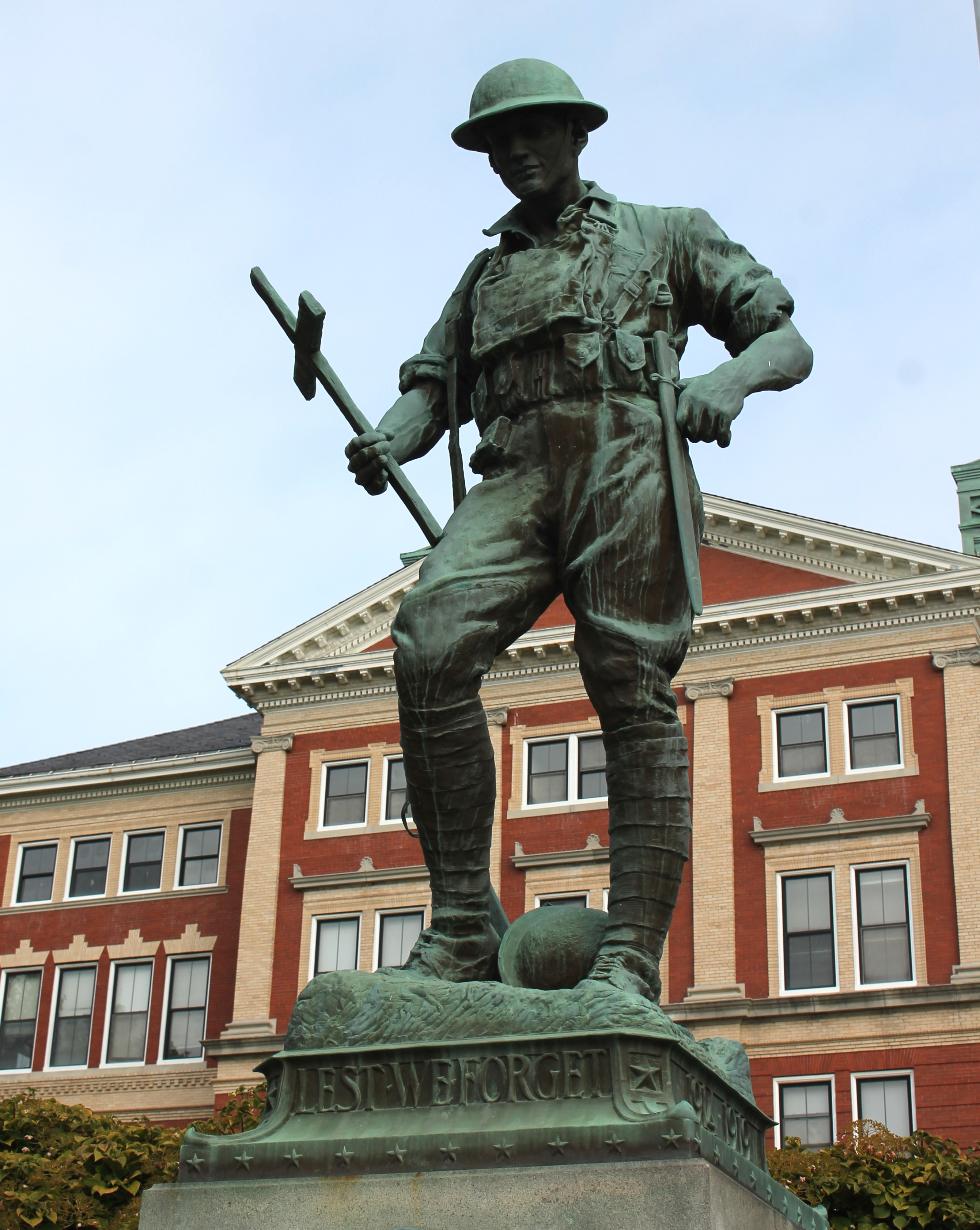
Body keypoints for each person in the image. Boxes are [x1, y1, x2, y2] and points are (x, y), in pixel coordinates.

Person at [345, 59, 812, 1001]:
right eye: (495, 143)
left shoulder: (668, 233)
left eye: (533, 133)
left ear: (576, 135)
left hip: (627, 451)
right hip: (518, 470)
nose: (514, 153)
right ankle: (466, 924)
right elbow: (432, 386)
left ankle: (630, 950)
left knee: (629, 684)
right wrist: (389, 438)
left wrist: (727, 381)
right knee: (429, 645)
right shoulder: (485, 275)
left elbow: (786, 340)